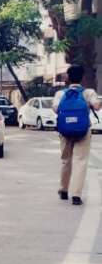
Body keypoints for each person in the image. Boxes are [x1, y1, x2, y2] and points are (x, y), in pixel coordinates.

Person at [53, 65, 102, 206]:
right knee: (80, 161)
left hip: (65, 131)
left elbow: (56, 109)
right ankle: (76, 195)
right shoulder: (88, 92)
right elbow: (97, 106)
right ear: (82, 77)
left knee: (65, 160)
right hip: (83, 131)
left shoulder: (60, 94)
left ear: (68, 78)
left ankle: (63, 190)